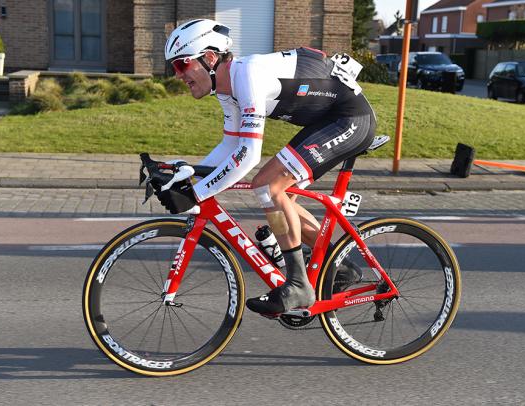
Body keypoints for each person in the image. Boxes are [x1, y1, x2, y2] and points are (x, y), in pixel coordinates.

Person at [159, 19, 376, 316]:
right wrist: (188, 172)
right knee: (279, 195)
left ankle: (299, 285)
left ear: (209, 58)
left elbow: (248, 155)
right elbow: (229, 146)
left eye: (182, 65)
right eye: (174, 68)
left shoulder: (248, 75)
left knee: (267, 185)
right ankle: (342, 268)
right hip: (327, 120)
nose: (179, 75)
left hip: (351, 119)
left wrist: (198, 193)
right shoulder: (226, 89)